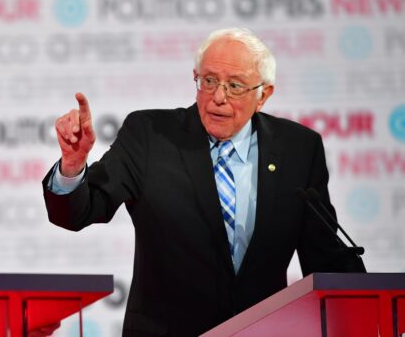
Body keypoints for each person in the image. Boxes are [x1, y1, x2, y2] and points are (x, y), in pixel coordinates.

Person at [42, 27, 366, 337]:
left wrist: (371, 305)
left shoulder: (298, 148)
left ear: (263, 95)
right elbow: (79, 212)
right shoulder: (150, 135)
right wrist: (72, 166)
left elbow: (324, 256)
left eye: (235, 86)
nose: (218, 97)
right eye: (209, 81)